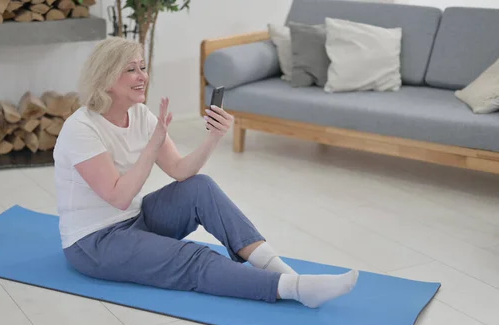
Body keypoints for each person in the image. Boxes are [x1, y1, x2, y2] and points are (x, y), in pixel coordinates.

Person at [53, 36, 359, 308]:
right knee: (192, 257)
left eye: (142, 67)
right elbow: (118, 197)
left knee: (200, 186)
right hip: (94, 243)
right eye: (130, 69)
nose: (142, 76)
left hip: (137, 220)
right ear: (106, 78)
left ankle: (282, 270)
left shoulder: (140, 115)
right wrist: (152, 146)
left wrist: (213, 137)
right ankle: (293, 290)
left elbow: (180, 171)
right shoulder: (82, 129)